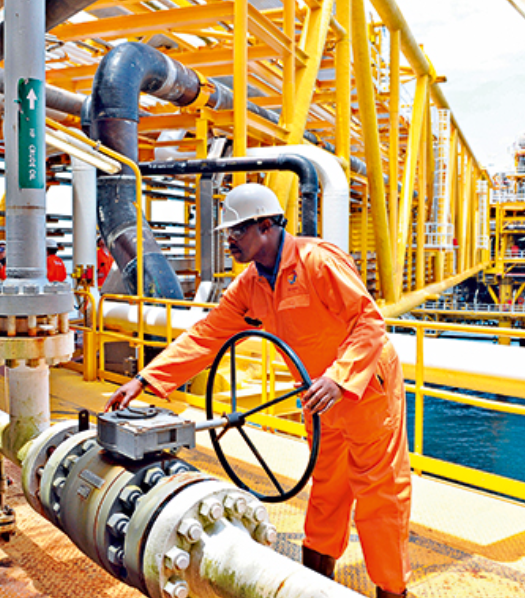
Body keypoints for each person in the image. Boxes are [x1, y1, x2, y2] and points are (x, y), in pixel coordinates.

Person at [105, 183, 411, 597]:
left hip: (364, 391)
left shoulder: (317, 260)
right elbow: (206, 336)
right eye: (228, 233)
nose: (228, 240)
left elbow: (369, 323)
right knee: (325, 493)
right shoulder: (251, 283)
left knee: (379, 498)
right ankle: (316, 587)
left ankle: (392, 592)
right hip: (318, 398)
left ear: (265, 226)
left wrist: (339, 378)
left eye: (236, 231)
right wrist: (145, 380)